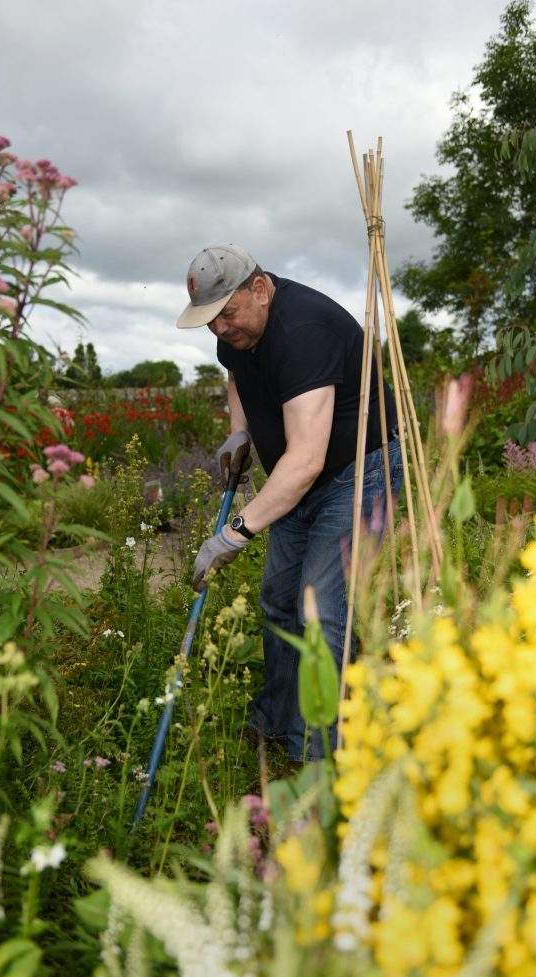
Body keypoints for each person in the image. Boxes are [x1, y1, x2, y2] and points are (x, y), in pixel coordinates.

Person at [176, 242, 403, 764]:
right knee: (279, 602)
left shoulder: (304, 332)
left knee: (321, 611)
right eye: (210, 322)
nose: (220, 330)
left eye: (227, 315)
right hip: (300, 478)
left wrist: (234, 533)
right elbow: (234, 370)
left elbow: (305, 462)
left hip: (357, 474)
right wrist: (240, 431)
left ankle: (318, 754)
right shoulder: (237, 327)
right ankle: (276, 722)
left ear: (259, 288)